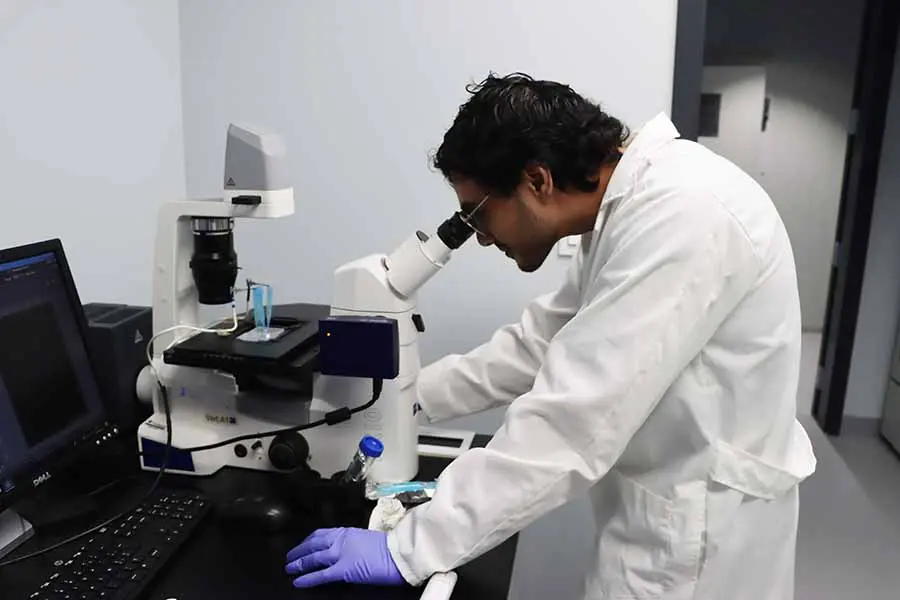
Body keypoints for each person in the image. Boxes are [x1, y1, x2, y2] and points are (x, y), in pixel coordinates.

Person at [283, 73, 817, 599]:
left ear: (537, 181)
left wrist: (407, 550)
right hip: (670, 512)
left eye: (478, 213)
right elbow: (537, 345)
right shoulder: (627, 211)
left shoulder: (684, 214)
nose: (481, 236)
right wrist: (405, 401)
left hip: (699, 543)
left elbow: (574, 420)